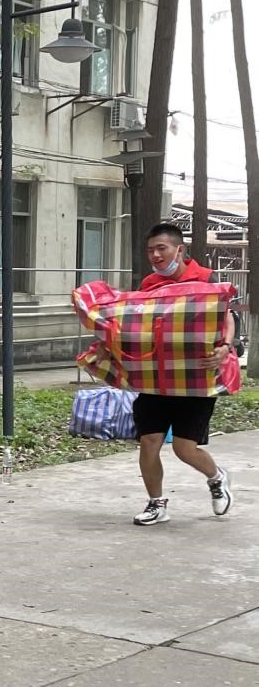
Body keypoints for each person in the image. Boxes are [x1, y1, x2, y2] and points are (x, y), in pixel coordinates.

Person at [131, 222, 233, 525]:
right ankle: (156, 504)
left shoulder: (205, 279)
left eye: (161, 248)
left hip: (196, 377)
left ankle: (216, 477)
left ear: (179, 250)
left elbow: (226, 317)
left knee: (183, 448)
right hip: (156, 376)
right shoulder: (150, 284)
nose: (155, 255)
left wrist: (226, 346)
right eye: (150, 250)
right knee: (149, 441)